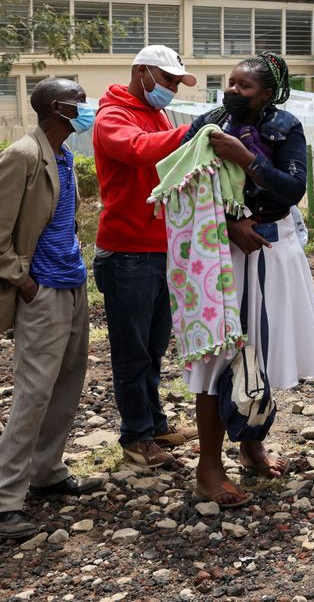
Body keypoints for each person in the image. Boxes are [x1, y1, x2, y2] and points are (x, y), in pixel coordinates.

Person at [179, 52, 314, 504]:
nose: (232, 91)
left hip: (273, 246)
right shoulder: (207, 123)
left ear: (267, 93)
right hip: (219, 251)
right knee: (219, 353)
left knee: (261, 347)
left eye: (244, 86)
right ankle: (209, 469)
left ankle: (251, 445)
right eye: (230, 83)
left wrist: (247, 158)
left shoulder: (286, 127)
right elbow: (183, 187)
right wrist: (228, 225)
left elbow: (292, 188)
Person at [0, 79, 104, 538]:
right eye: (81, 101)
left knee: (67, 385)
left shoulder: (63, 155)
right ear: (58, 107)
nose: (88, 108)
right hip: (42, 290)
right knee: (33, 394)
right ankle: (3, 502)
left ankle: (46, 472)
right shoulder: (22, 156)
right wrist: (24, 282)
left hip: (71, 285)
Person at [93, 45, 199, 469]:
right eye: (167, 80)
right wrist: (191, 132)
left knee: (153, 346)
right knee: (132, 350)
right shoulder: (112, 116)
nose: (172, 89)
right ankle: (135, 436)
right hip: (127, 252)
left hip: (160, 246)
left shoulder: (157, 113)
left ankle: (154, 424)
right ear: (141, 72)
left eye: (175, 82)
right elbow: (138, 150)